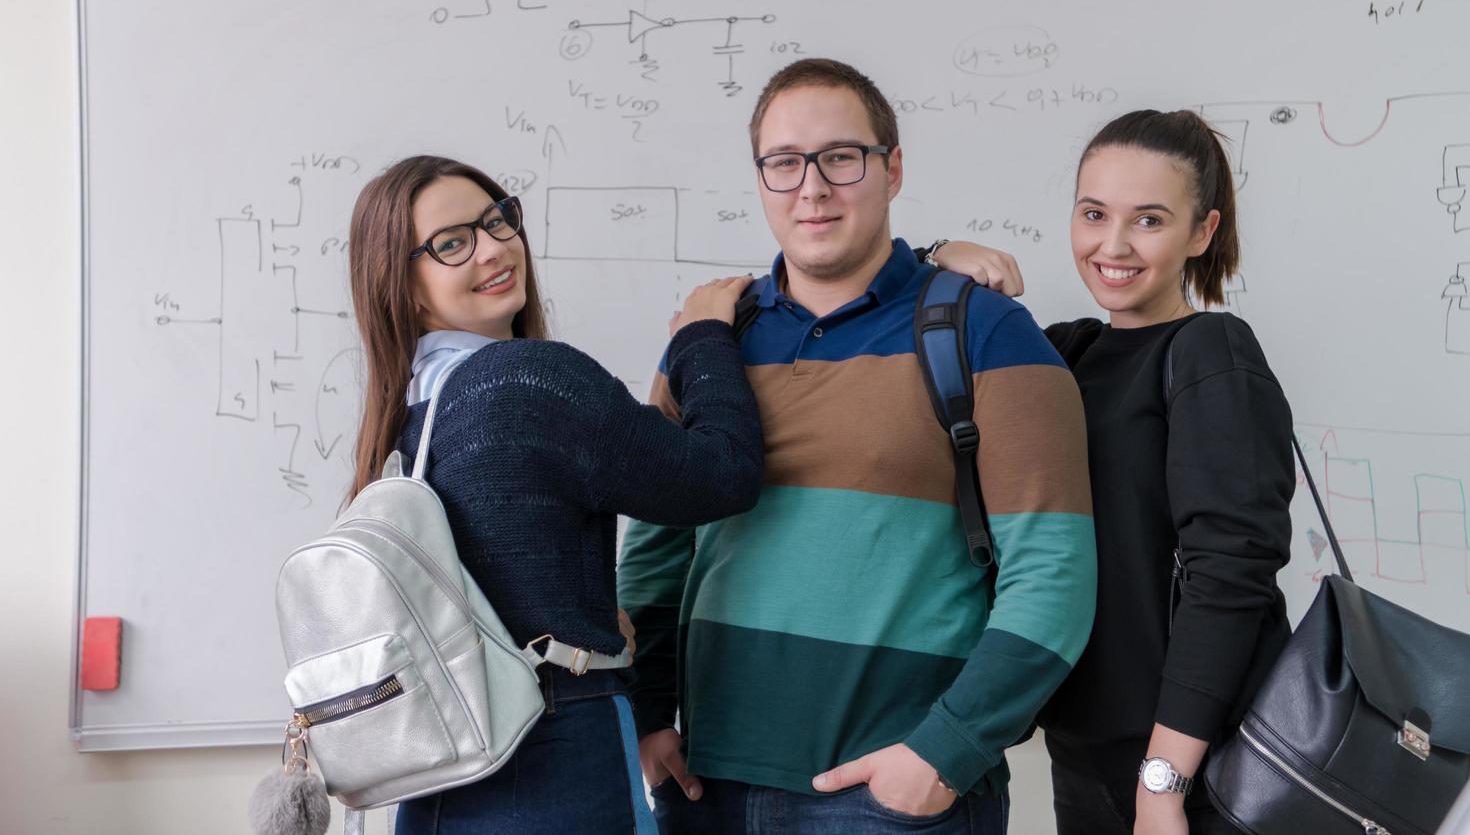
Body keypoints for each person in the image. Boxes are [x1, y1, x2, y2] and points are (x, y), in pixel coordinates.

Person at [618, 59, 1097, 835]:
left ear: (892, 168)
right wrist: (642, 715)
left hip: (893, 798)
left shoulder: (986, 332)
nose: (812, 188)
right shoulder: (709, 343)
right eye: (785, 163)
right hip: (706, 789)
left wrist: (944, 754)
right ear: (762, 177)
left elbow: (1055, 573)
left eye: (841, 157)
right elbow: (654, 555)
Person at [345, 155, 765, 835]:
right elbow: (722, 474)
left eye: (497, 219)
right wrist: (703, 336)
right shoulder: (531, 381)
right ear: (408, 285)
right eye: (453, 243)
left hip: (439, 784)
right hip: (554, 760)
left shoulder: (405, 421)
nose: (494, 246)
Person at [939, 110, 1294, 835]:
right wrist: (938, 252)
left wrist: (1164, 781)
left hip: (1205, 765)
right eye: (1094, 213)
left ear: (1202, 233)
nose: (1114, 245)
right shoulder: (1066, 355)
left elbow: (1231, 572)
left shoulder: (1210, 351)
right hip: (1085, 751)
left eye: (1150, 220)